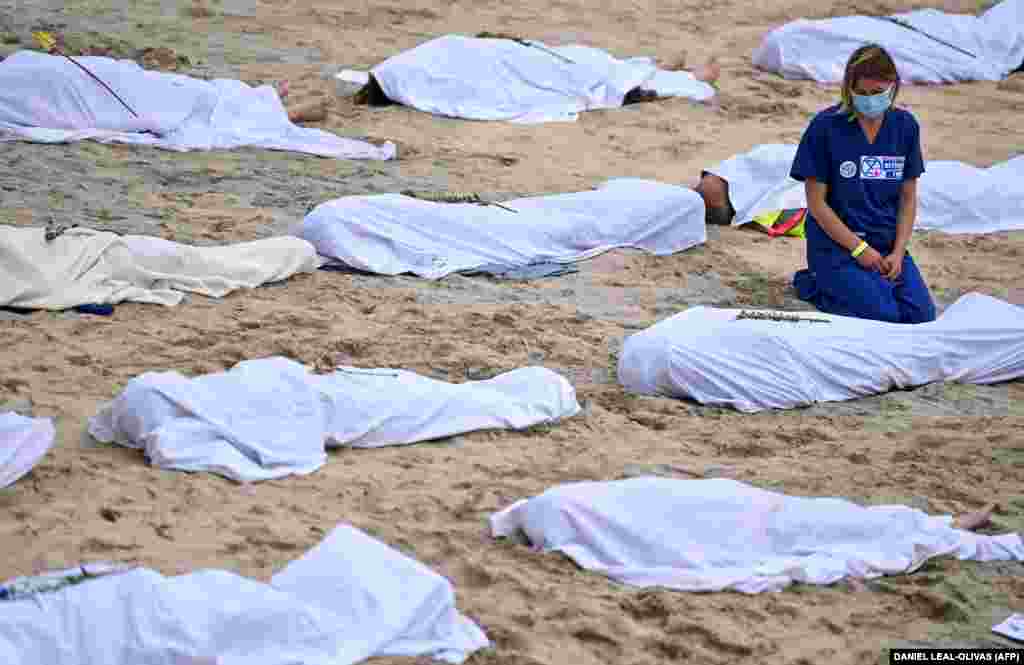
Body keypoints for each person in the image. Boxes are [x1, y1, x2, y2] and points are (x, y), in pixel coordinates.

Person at [788, 44, 936, 323]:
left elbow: (907, 198)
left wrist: (897, 250)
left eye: (878, 93)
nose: (870, 101)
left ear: (893, 88)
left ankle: (865, 283)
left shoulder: (905, 127)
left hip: (885, 242)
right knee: (883, 316)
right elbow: (816, 205)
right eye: (863, 94)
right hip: (837, 246)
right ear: (849, 89)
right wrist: (859, 249)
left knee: (921, 316)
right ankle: (813, 283)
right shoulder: (825, 127)